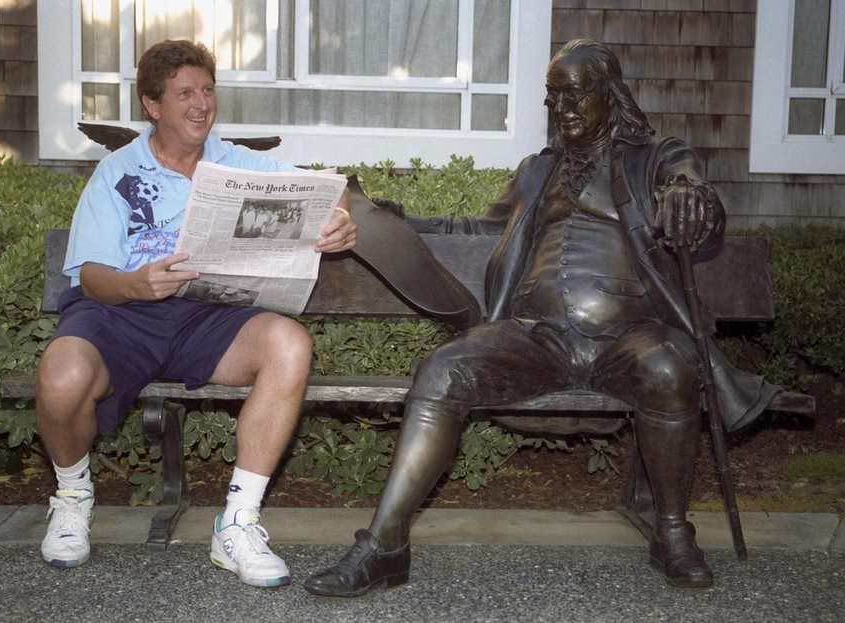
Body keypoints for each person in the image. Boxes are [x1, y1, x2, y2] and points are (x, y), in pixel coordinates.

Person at [303, 39, 779, 595]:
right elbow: (483, 231)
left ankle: (673, 533)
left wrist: (690, 198)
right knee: (439, 370)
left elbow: (699, 200)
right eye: (553, 98)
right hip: (538, 336)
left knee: (671, 370)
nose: (563, 109)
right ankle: (383, 547)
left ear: (611, 94)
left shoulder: (656, 158)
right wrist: (396, 218)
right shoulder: (536, 170)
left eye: (575, 94)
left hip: (631, 335)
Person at [36, 39, 356, 588]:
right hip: (123, 312)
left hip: (211, 316)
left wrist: (341, 220)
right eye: (185, 93)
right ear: (153, 106)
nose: (201, 104)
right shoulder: (116, 174)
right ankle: (71, 495)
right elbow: (91, 277)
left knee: (290, 344)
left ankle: (238, 523)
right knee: (60, 374)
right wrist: (134, 282)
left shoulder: (240, 163)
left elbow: (323, 194)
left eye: (207, 90)